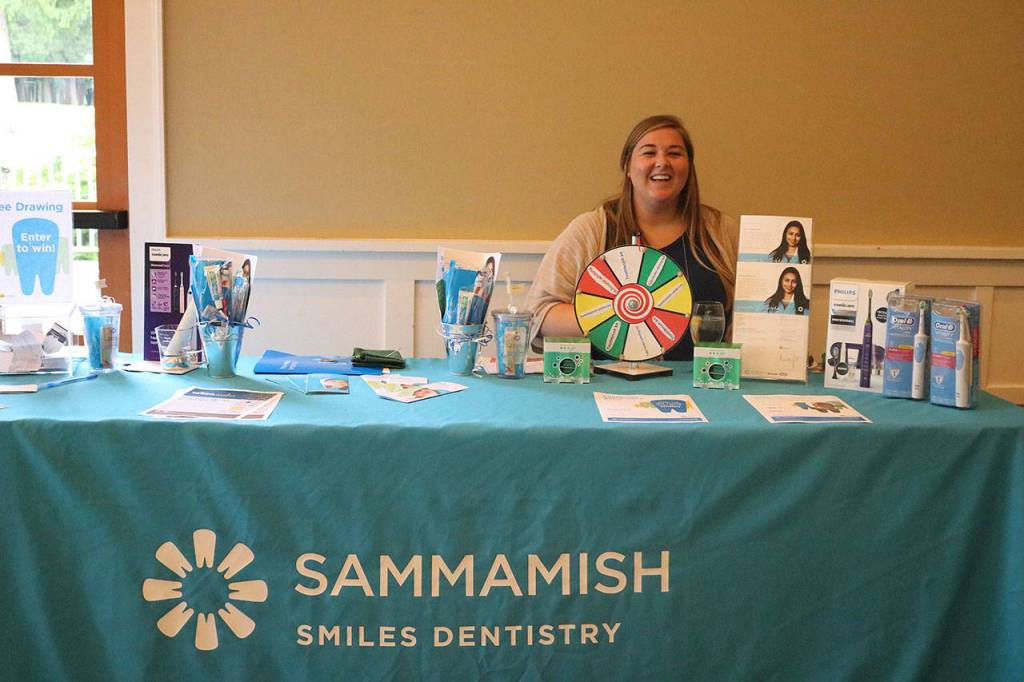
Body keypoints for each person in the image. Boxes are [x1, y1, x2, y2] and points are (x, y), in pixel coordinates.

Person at [526, 115, 739, 360]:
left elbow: (750, 318)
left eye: (675, 153)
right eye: (649, 153)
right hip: (605, 388)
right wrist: (621, 312)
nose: (662, 162)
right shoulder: (593, 228)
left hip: (703, 387)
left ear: (689, 167)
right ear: (627, 166)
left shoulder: (721, 230)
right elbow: (539, 315)